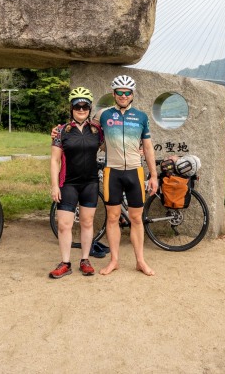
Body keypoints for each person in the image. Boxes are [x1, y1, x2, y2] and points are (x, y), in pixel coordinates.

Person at [96, 74, 158, 276]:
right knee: (113, 218)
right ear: (114, 94)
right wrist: (59, 131)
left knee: (136, 218)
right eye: (120, 92)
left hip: (135, 172)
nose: (123, 95)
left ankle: (140, 261)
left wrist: (154, 176)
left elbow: (148, 147)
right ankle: (114, 261)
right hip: (112, 171)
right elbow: (84, 130)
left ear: (132, 95)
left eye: (127, 92)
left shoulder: (141, 117)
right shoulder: (103, 115)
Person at [48, 87, 103, 279]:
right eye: (77, 105)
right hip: (68, 183)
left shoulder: (97, 130)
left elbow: (113, 142)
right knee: (64, 224)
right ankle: (65, 263)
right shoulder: (61, 131)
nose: (81, 109)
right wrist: (55, 185)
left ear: (89, 108)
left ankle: (85, 260)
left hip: (90, 183)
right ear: (71, 108)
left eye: (85, 105)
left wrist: (137, 150)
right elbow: (55, 160)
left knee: (87, 222)